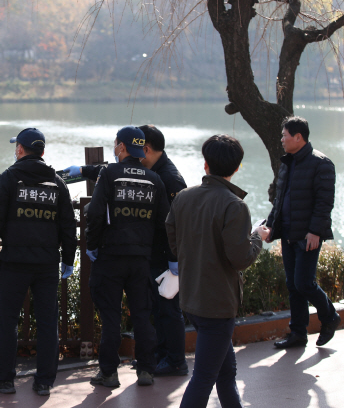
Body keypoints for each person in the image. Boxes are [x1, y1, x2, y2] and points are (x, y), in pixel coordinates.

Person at [165, 134, 268, 408]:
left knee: (225, 372)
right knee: (204, 378)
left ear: (205, 164)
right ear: (236, 168)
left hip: (192, 298)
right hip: (218, 304)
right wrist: (257, 236)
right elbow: (241, 258)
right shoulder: (234, 205)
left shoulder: (184, 198)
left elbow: (174, 244)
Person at [0, 127, 77, 396]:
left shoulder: (9, 178)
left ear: (21, 150)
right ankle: (44, 381)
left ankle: (4, 380)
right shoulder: (57, 183)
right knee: (48, 323)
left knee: (9, 321)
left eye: (16, 147)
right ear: (42, 151)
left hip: (14, 262)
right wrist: (68, 259)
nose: (16, 150)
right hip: (46, 264)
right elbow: (69, 226)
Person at [86, 125, 170, 387]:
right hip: (141, 260)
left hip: (111, 258)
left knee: (111, 316)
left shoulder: (110, 174)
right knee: (142, 316)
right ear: (141, 148)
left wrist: (92, 245)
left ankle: (109, 373)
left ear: (121, 147)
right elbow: (164, 223)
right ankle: (146, 370)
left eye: (115, 144)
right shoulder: (154, 179)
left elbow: (96, 213)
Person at [265, 117, 341, 349]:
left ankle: (330, 316)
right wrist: (271, 226)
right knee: (292, 284)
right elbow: (280, 200)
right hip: (288, 232)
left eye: (284, 135)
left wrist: (315, 231)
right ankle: (298, 333)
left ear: (299, 137)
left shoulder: (322, 163)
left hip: (308, 235)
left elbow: (324, 202)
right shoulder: (287, 163)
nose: (282, 139)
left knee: (304, 283)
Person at [138, 124, 188, 376]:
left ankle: (177, 360)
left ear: (145, 148)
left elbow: (179, 223)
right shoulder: (151, 171)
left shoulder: (169, 178)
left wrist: (174, 259)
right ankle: (160, 355)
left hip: (169, 257)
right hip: (155, 254)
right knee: (157, 309)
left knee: (169, 309)